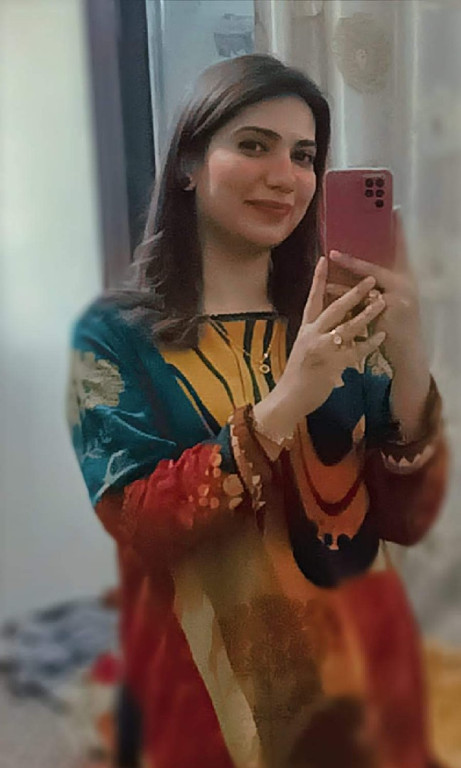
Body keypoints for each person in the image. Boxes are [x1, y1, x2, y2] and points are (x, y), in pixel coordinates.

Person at [67, 54, 448, 768]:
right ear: (188, 162)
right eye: (253, 145)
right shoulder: (115, 337)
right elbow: (138, 524)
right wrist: (287, 400)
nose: (285, 176)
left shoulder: (330, 317)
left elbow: (405, 518)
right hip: (213, 696)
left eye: (303, 155)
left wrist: (409, 357)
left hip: (363, 683)